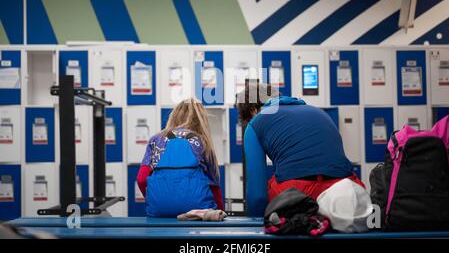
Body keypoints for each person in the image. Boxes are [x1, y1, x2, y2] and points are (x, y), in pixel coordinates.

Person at [236, 83, 365, 216]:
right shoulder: (319, 112)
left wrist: (256, 225)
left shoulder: (256, 122)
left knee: (269, 185)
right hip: (346, 191)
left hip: (299, 195)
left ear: (252, 110)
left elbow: (257, 196)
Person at [137, 98, 224, 217]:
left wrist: (153, 199)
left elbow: (142, 179)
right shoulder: (203, 142)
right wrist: (219, 213)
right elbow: (214, 186)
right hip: (198, 212)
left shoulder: (156, 139)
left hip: (160, 210)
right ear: (201, 120)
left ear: (174, 116)